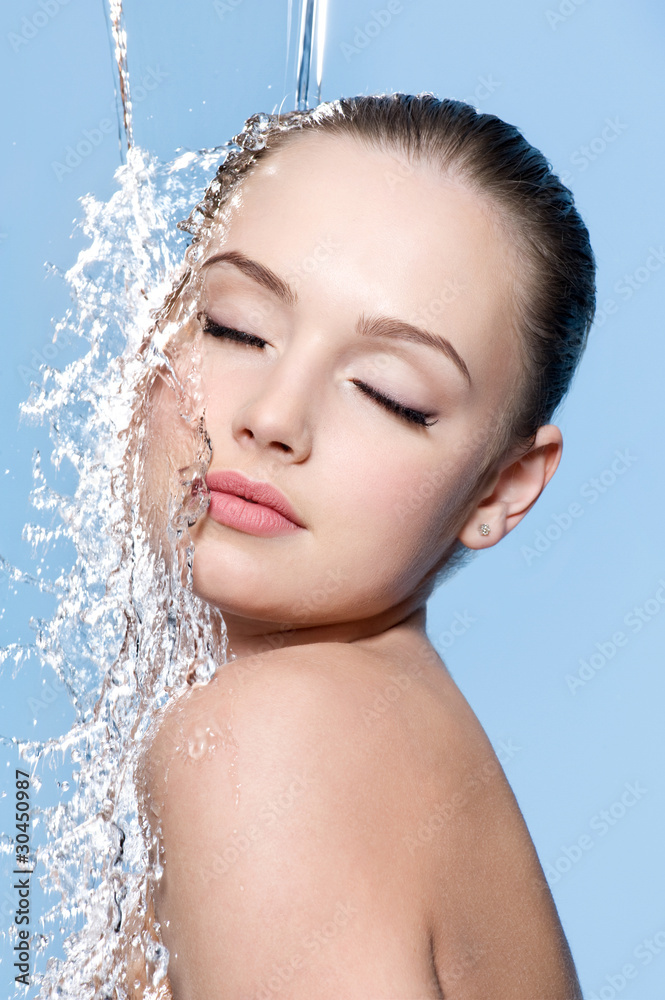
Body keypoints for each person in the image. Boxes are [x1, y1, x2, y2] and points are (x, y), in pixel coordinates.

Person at [133, 92, 596, 999]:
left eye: (387, 393)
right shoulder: (380, 732)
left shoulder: (264, 746)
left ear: (501, 489)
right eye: (234, 326)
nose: (272, 419)